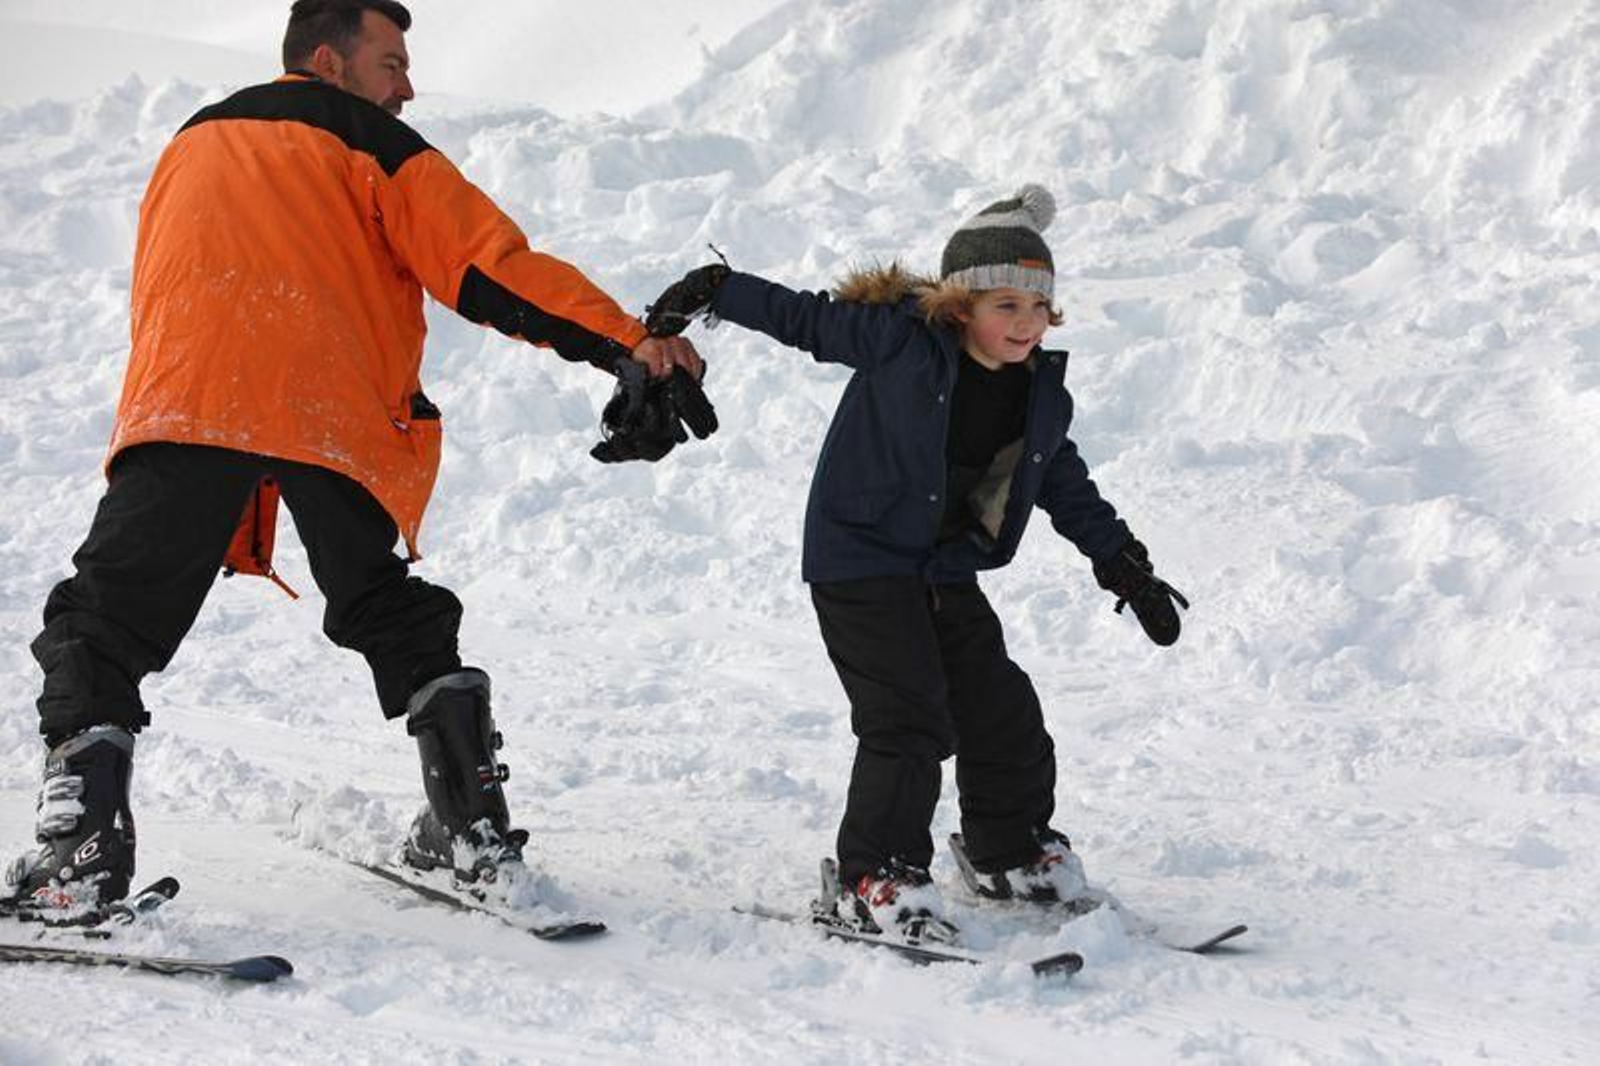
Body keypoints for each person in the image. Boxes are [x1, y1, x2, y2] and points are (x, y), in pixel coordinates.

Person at [2, 0, 702, 919]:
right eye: (390, 63)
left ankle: (77, 857)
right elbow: (491, 266)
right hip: (335, 417)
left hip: (193, 404)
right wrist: (626, 342)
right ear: (328, 61)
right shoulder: (369, 141)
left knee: (105, 620)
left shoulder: (193, 140)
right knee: (382, 603)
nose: (407, 85)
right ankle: (468, 827)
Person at [649, 185, 1187, 944]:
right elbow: (805, 319)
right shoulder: (898, 339)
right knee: (907, 718)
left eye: (1038, 309)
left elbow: (1066, 484)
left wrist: (1124, 564)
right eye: (1006, 306)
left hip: (941, 571)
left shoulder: (1037, 397)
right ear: (960, 305)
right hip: (859, 560)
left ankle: (1009, 852)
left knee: (1002, 709)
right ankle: (876, 874)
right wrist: (717, 290)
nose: (1026, 324)